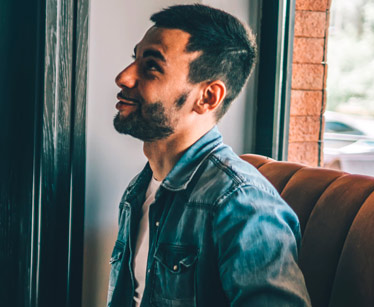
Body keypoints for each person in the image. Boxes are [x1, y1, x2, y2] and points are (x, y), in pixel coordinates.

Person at [107, 4, 310, 306]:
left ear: (207, 97)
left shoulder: (242, 203)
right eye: (134, 59)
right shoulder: (140, 189)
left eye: (151, 66)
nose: (123, 77)